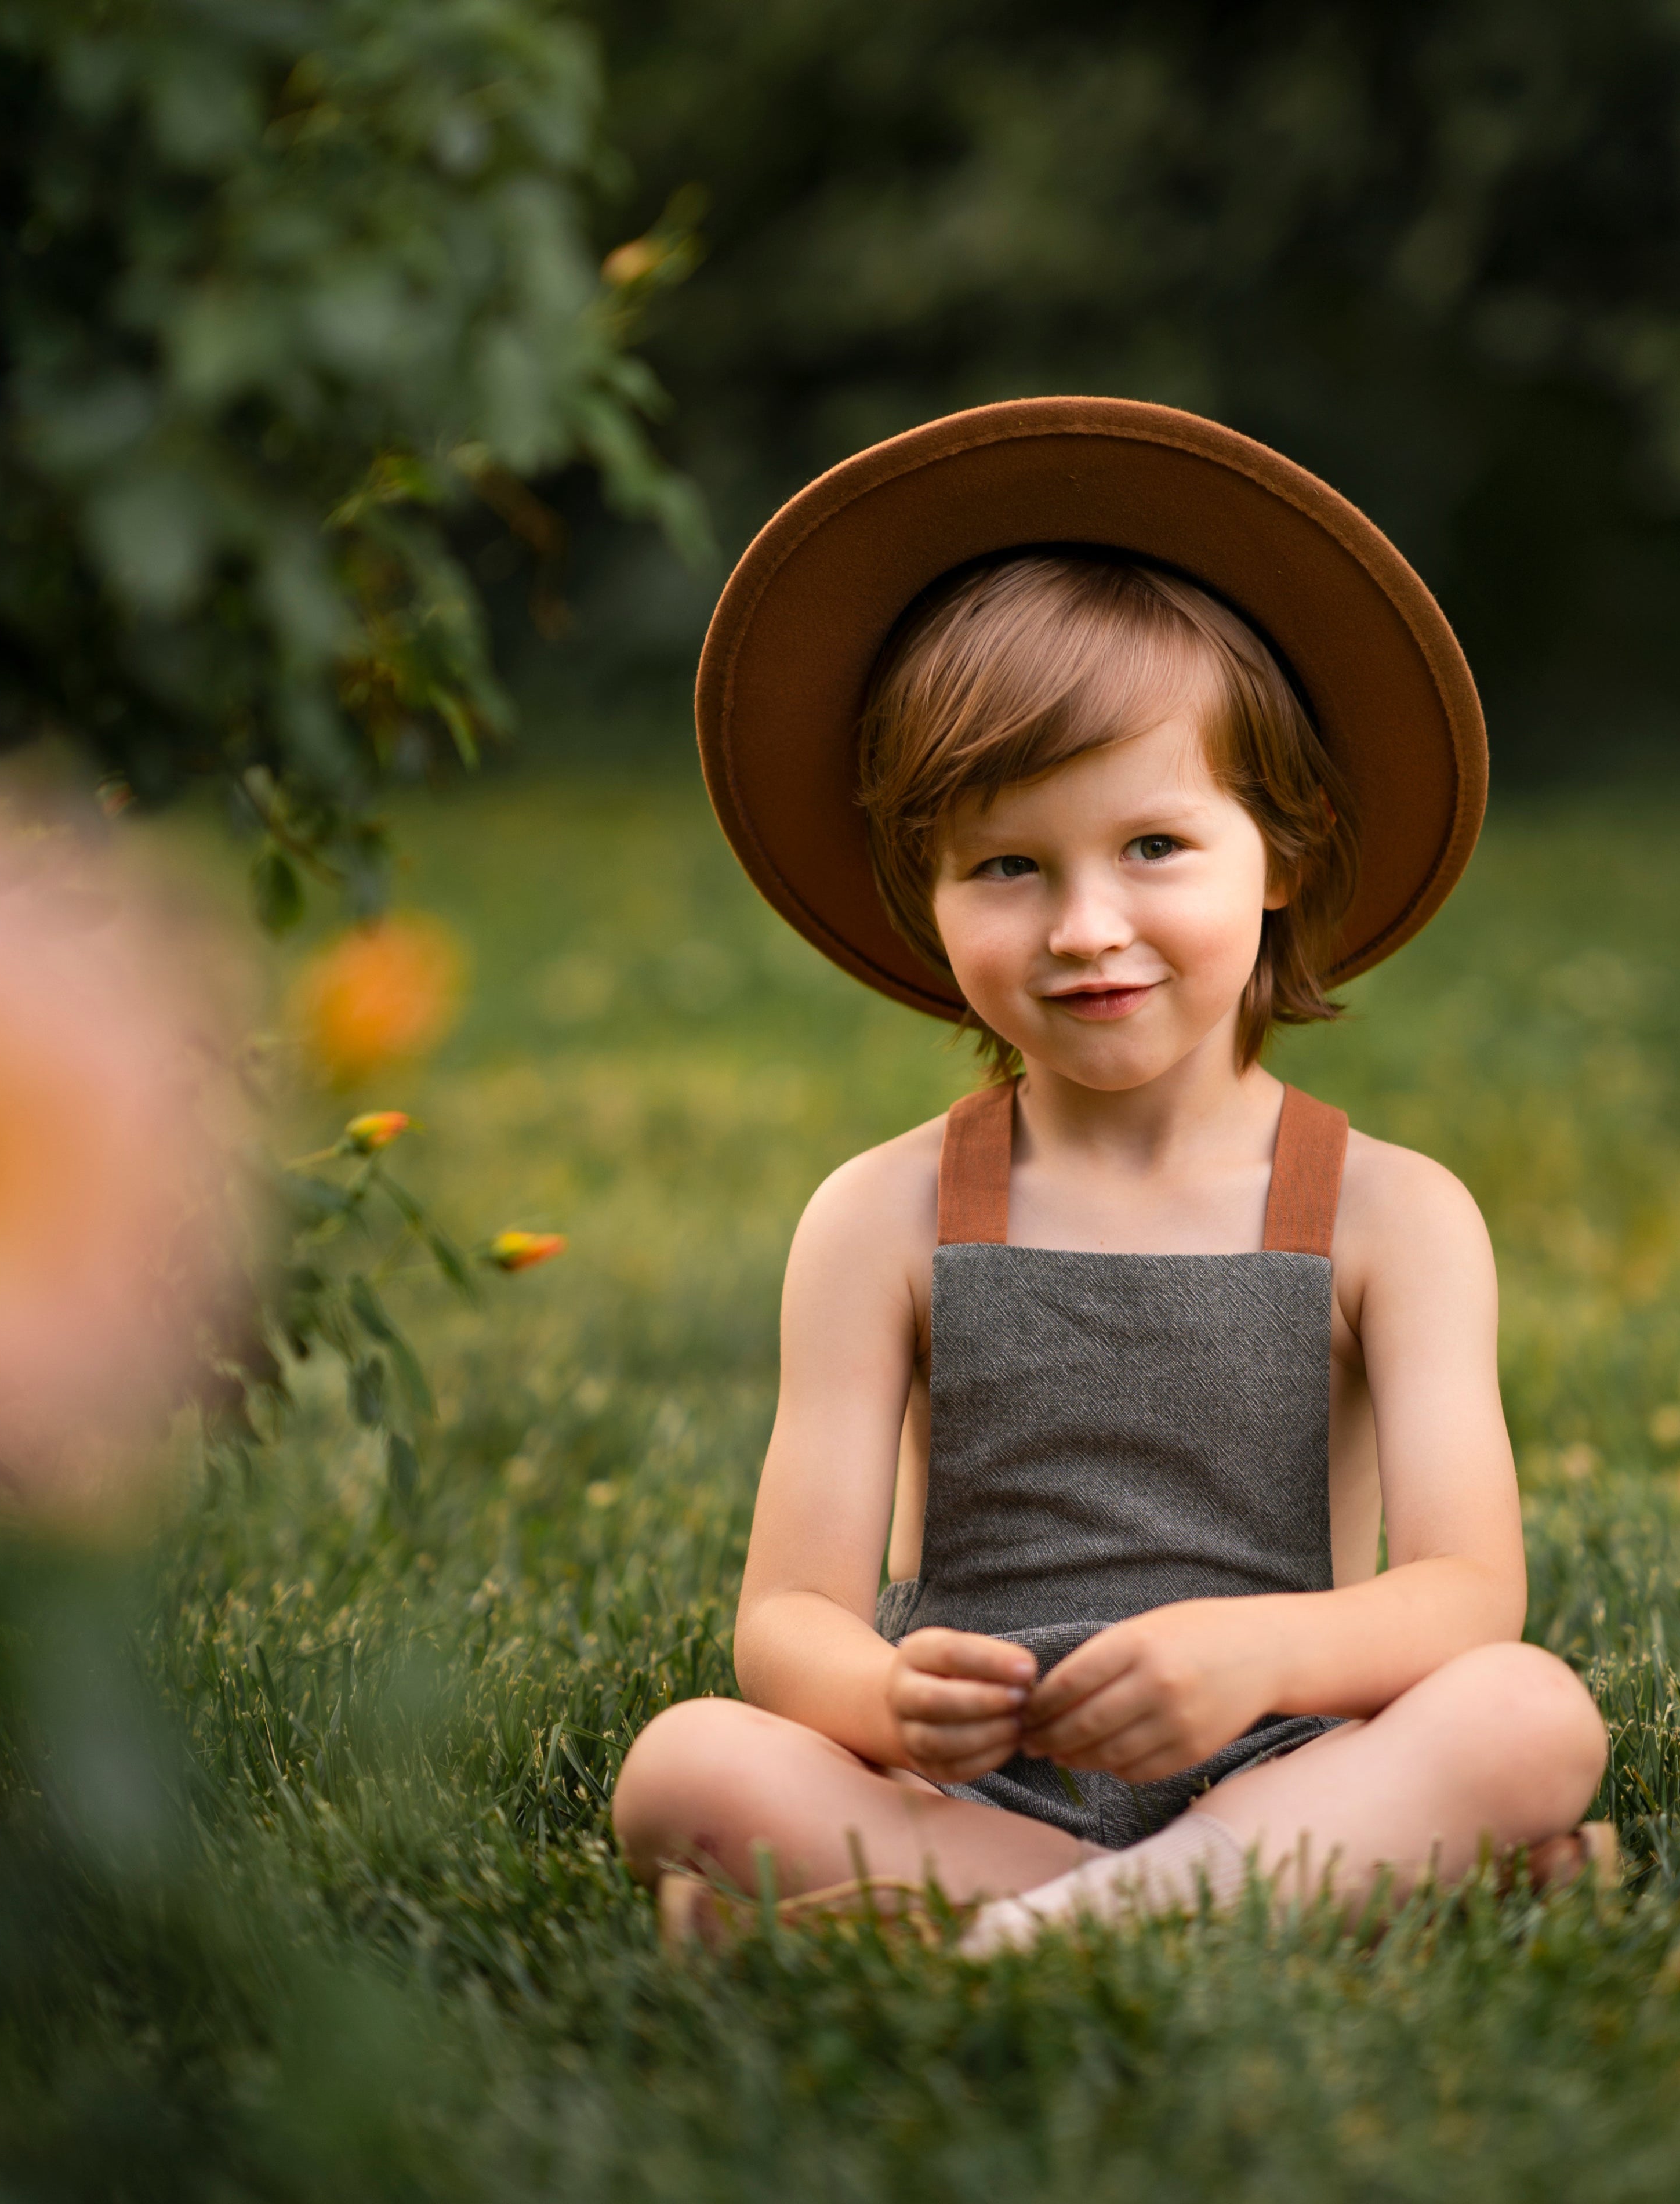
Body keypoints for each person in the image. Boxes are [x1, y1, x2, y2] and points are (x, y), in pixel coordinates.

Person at [611, 399, 1611, 1952]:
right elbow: (786, 1622)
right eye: (1008, 865)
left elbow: (1470, 1595)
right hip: (983, 1792)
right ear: (926, 895)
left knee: (1531, 1714)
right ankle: (1245, 1906)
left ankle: (1008, 1930)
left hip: (1288, 1758)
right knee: (681, 1766)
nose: (1085, 927)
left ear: (1282, 851)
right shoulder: (879, 1219)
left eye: (1155, 845)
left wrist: (1261, 1660)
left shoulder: (1393, 1215)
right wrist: (886, 1695)